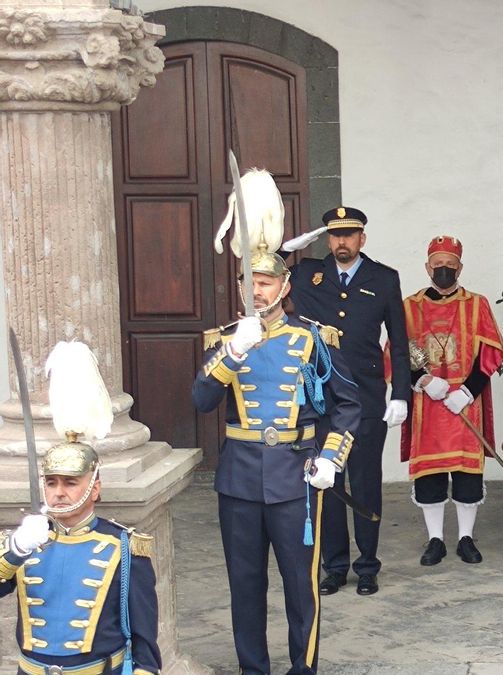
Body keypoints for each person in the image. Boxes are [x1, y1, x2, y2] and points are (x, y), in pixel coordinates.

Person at [194, 169, 360, 675]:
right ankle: (253, 669)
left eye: (267, 282)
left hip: (296, 476)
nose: (258, 290)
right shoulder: (222, 339)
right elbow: (200, 399)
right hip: (240, 477)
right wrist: (232, 353)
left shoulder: (313, 338)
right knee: (244, 585)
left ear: (285, 285)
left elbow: (348, 405)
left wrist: (331, 458)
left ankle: (302, 668)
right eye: (251, 282)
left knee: (299, 585)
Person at [1, 342, 160, 675]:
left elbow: (145, 643)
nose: (59, 492)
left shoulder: (124, 547)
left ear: (95, 487)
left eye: (70, 482)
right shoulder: (23, 541)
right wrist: (15, 551)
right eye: (52, 482)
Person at [288, 205, 411, 597]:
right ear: (327, 239)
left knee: (364, 480)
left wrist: (402, 393)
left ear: (362, 238)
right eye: (334, 235)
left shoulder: (384, 278)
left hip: (367, 396)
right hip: (321, 397)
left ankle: (368, 565)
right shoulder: (307, 274)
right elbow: (258, 271)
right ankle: (335, 565)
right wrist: (287, 248)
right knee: (328, 481)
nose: (342, 241)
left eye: (349, 234)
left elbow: (400, 341)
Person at [400, 235, 503, 567]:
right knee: (430, 475)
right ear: (427, 267)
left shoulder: (477, 304)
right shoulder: (410, 307)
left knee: (466, 475)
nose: (444, 270)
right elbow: (399, 353)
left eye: (450, 265)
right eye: (438, 265)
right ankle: (435, 540)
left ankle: (464, 538)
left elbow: (491, 353)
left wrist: (467, 391)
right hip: (428, 404)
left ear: (460, 267)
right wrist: (422, 380)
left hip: (463, 403)